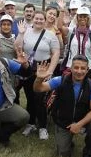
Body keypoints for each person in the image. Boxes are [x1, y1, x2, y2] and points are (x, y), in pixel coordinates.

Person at [34, 56, 91, 157]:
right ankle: (68, 143)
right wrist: (39, 78)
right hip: (63, 122)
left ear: (87, 70)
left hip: (82, 121)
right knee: (63, 155)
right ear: (70, 68)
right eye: (76, 67)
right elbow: (38, 88)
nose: (79, 71)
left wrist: (79, 125)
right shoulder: (60, 80)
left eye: (83, 68)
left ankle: (89, 155)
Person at [17, 11, 61, 140]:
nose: (39, 21)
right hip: (28, 68)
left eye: (41, 19)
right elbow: (18, 47)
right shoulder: (26, 32)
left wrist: (50, 71)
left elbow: (56, 54)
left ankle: (43, 127)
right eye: (37, 18)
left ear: (45, 20)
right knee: (30, 97)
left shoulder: (50, 35)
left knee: (40, 98)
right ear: (33, 19)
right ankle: (31, 124)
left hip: (44, 67)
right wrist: (20, 33)